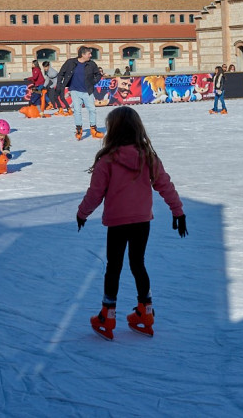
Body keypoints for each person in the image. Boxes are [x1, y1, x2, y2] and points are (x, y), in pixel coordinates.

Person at [78, 107, 187, 340]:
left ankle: (108, 314)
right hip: (141, 221)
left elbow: (95, 193)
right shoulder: (147, 156)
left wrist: (82, 213)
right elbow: (165, 185)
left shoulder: (107, 158)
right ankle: (145, 311)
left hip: (117, 222)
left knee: (114, 267)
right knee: (138, 264)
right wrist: (178, 212)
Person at [58, 46, 103, 140]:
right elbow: (61, 73)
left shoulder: (91, 64)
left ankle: (94, 129)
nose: (91, 55)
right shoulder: (70, 62)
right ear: (83, 54)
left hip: (88, 91)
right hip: (75, 91)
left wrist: (93, 82)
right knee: (77, 111)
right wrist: (60, 85)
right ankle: (79, 130)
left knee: (92, 110)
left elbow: (98, 74)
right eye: (89, 54)